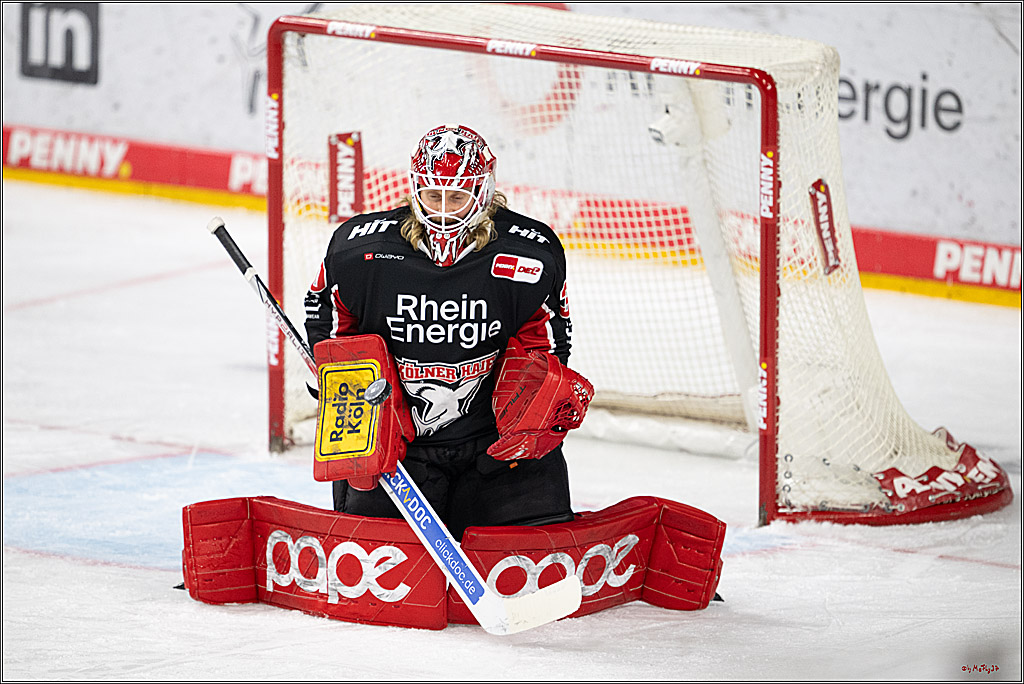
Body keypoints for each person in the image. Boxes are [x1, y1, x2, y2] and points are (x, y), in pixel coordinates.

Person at [304, 124, 587, 540]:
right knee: (376, 571)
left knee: (532, 555)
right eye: (433, 195)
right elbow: (327, 319)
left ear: (484, 193)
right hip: (394, 444)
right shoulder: (358, 252)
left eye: (456, 197)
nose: (443, 209)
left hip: (494, 445)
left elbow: (548, 341)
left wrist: (537, 407)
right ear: (415, 190)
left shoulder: (530, 253)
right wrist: (343, 384)